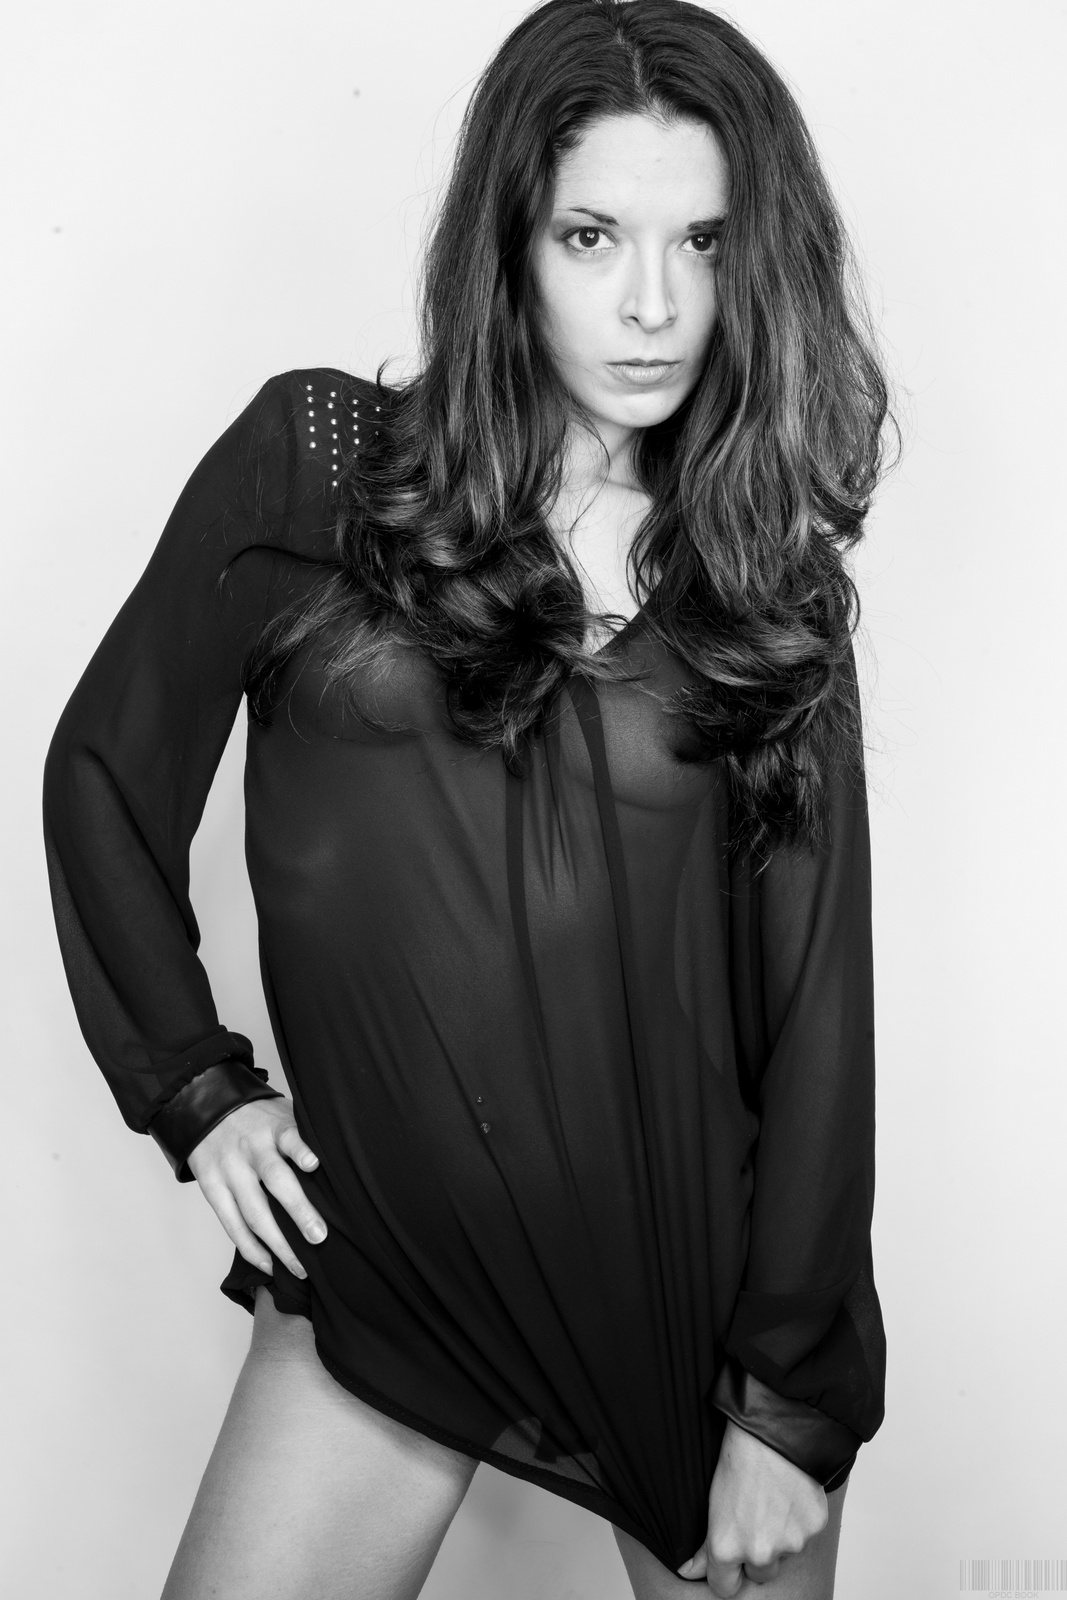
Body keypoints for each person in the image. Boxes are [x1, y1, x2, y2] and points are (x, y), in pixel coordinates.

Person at [43, 1, 892, 1595]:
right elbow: (102, 772)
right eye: (593, 236)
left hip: (692, 1315)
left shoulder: (760, 581)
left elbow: (815, 1016)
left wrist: (786, 1397)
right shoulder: (321, 467)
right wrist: (194, 1088)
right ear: (508, 244)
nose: (655, 305)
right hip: (389, 1280)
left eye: (704, 242)